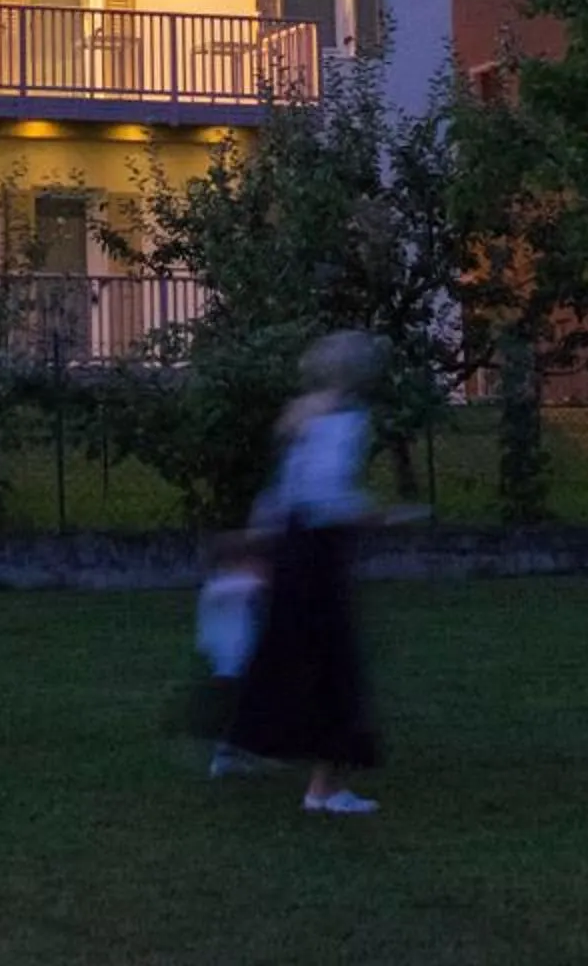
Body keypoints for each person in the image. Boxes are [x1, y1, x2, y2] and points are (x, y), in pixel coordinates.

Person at [224, 329, 392, 816]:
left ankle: (240, 744)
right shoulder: (344, 418)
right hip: (317, 551)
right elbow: (324, 493)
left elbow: (284, 489)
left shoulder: (301, 412)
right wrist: (370, 514)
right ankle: (323, 789)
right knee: (333, 666)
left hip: (292, 546)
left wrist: (264, 537)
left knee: (284, 653)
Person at [189, 536, 268, 778]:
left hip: (235, 659)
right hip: (231, 660)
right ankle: (226, 755)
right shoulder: (221, 586)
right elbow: (255, 583)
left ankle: (230, 755)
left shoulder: (224, 587)